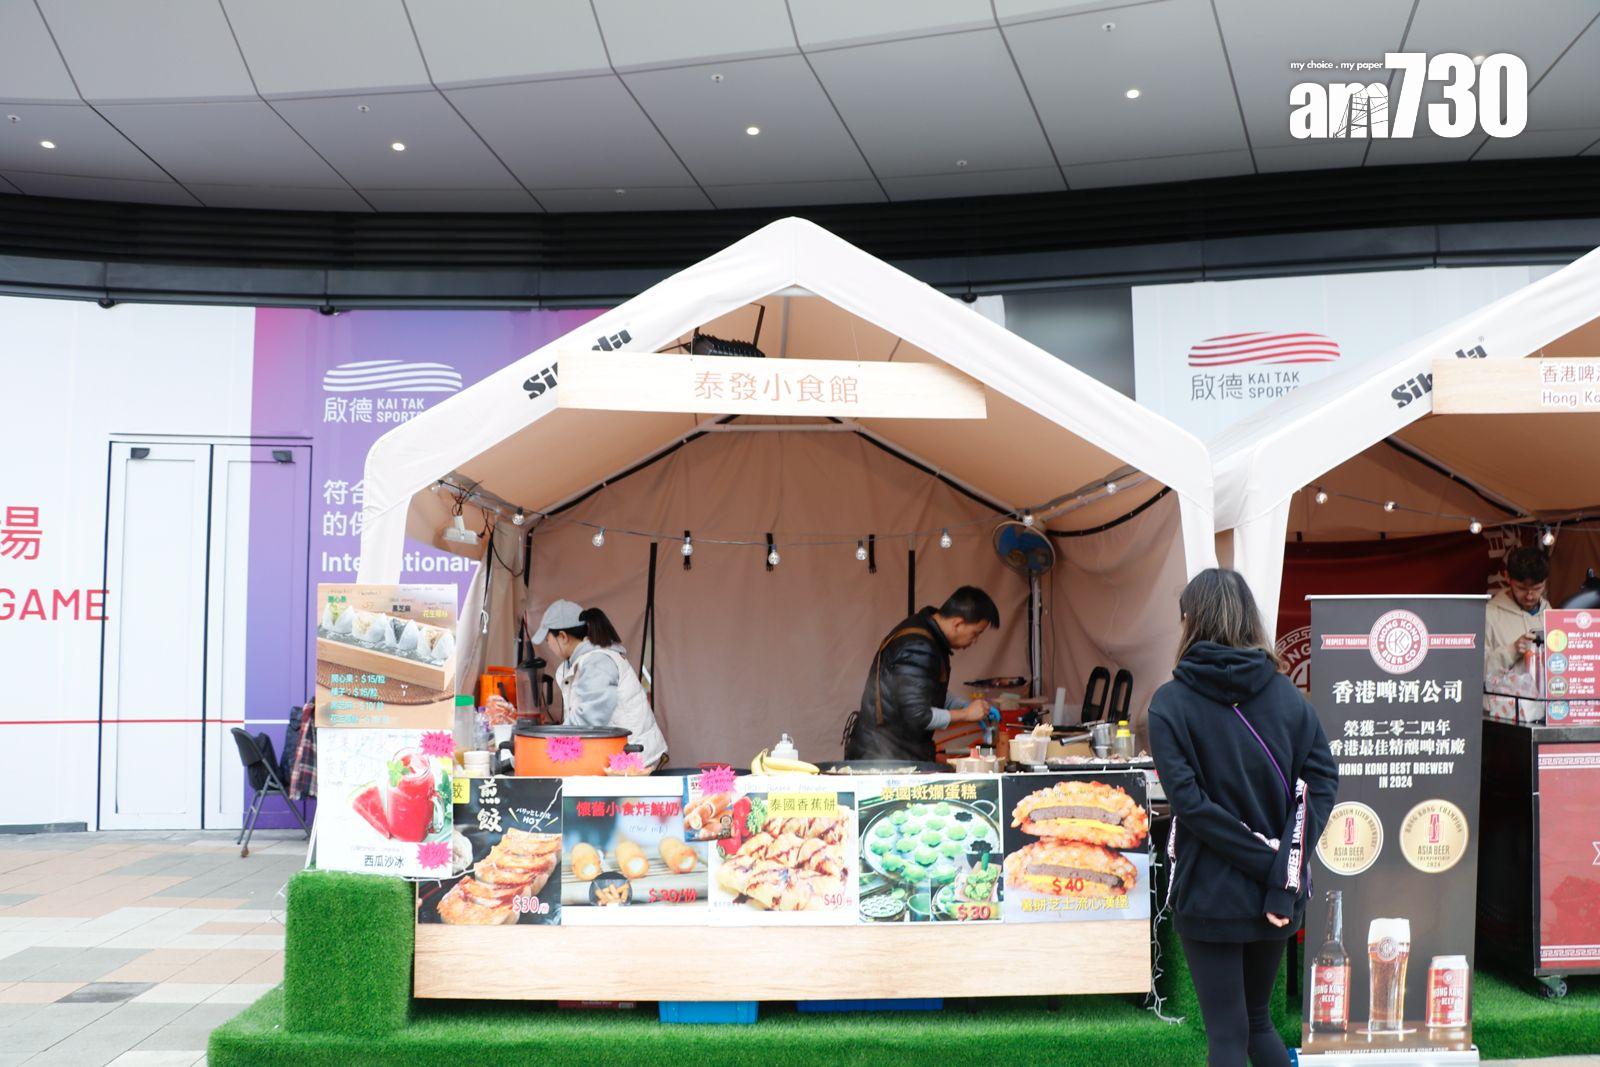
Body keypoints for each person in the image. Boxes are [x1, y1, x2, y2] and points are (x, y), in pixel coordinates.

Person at [1148, 568, 1338, 1067]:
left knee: (1228, 1035)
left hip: (1208, 890)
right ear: (1251, 618)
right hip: (1274, 894)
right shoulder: (1289, 698)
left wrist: (1271, 869)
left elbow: (1190, 806)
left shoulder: (1169, 704)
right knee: (1256, 1023)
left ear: (1190, 620)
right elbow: (1320, 786)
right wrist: (1281, 875)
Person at [842, 586, 1000, 762]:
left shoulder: (929, 636)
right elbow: (918, 715)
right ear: (958, 623)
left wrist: (964, 706)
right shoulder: (918, 646)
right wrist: (965, 714)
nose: (975, 640)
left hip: (893, 751)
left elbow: (927, 690)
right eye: (975, 633)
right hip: (882, 757)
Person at [532, 599, 668, 770]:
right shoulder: (581, 661)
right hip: (623, 754)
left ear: (563, 636)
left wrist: (548, 746)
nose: (549, 645)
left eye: (548, 639)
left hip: (636, 757)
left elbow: (589, 717)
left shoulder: (597, 662)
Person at [1485, 547, 1552, 676]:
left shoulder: (1549, 612)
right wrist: (1512, 650)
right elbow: (1475, 671)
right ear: (1507, 577)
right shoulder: (1489, 615)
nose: (1529, 596)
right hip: (1505, 689)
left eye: (1537, 588)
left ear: (1546, 581)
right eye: (1521, 588)